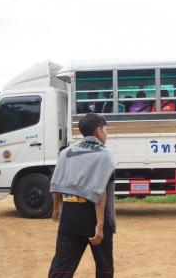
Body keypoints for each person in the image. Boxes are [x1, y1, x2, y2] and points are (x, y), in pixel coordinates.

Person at [49, 113, 116, 277]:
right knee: (104, 268)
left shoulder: (66, 153)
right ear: (98, 130)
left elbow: (56, 184)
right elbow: (100, 193)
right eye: (106, 129)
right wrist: (99, 226)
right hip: (94, 218)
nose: (107, 133)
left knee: (61, 267)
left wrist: (56, 209)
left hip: (69, 216)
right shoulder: (104, 156)